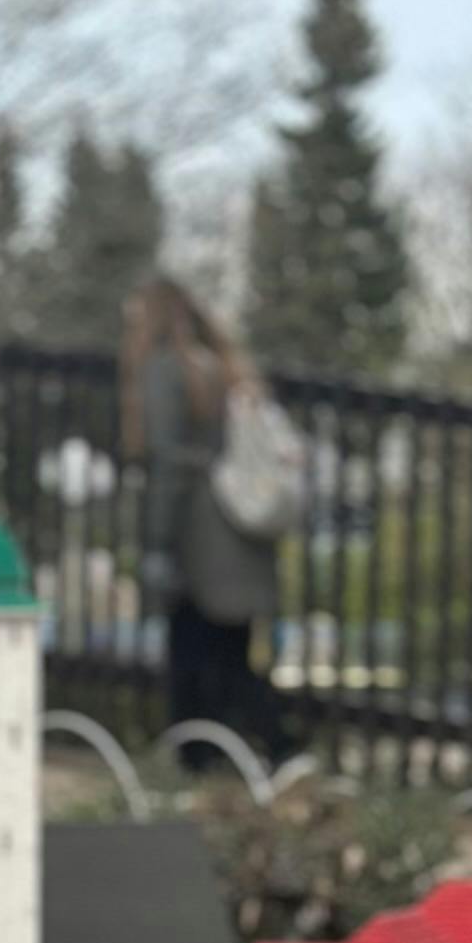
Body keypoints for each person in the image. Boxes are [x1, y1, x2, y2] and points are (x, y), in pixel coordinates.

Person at [122, 274, 284, 759]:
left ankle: (200, 752)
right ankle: (251, 746)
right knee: (231, 651)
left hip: (198, 534)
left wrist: (157, 542)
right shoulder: (224, 368)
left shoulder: (164, 369)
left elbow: (169, 462)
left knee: (190, 652)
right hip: (239, 529)